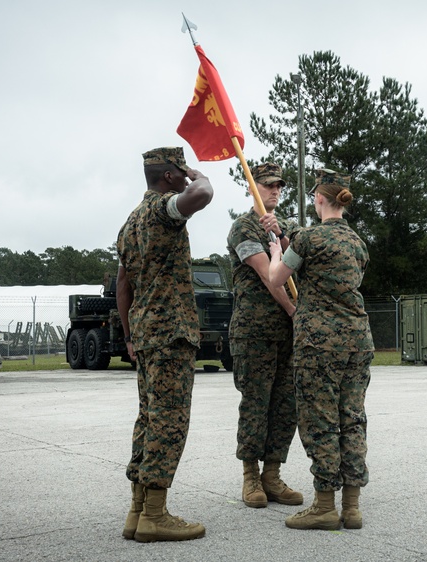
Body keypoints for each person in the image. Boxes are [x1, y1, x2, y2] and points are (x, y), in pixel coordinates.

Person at [116, 146, 213, 543]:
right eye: (179, 170)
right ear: (170, 175)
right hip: (171, 332)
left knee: (149, 419)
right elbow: (204, 193)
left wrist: (128, 335)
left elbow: (123, 284)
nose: (185, 177)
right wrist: (196, 173)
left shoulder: (128, 223)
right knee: (170, 421)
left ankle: (137, 511)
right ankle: (155, 515)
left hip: (145, 333)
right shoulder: (162, 210)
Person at [266, 168, 373, 531]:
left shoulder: (309, 239)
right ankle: (353, 507)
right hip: (358, 340)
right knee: (352, 418)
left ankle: (325, 505)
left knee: (321, 421)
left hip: (318, 343)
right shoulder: (358, 243)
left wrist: (275, 252)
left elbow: (276, 279)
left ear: (319, 200)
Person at [226, 162, 303, 509]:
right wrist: (294, 312)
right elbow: (267, 274)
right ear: (252, 188)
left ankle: (272, 474)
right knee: (256, 403)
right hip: (254, 331)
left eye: (278, 186)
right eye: (267, 185)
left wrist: (282, 237)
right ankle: (250, 476)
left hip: (287, 334)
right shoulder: (242, 227)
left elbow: (302, 261)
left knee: (285, 405)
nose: (274, 190)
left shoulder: (285, 227)